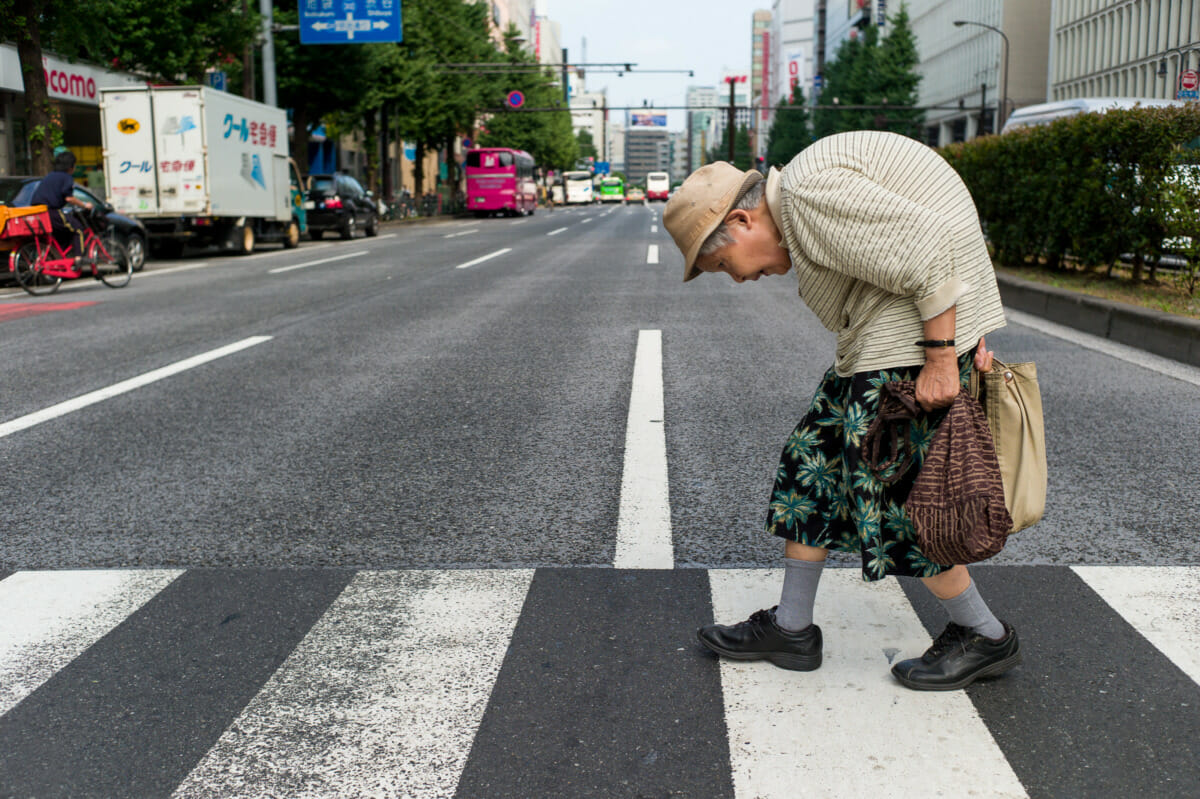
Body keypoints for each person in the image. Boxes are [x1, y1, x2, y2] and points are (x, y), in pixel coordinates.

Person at [663, 130, 1021, 691]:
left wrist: (942, 357)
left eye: (723, 266)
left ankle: (984, 635)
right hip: (886, 337)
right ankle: (791, 629)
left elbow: (928, 246)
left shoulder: (806, 194)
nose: (738, 279)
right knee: (812, 469)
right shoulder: (805, 199)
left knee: (898, 498)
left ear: (740, 222)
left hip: (906, 346)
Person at [30, 148, 93, 264]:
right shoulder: (67, 177)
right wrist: (85, 205)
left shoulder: (50, 176)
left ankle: (59, 259)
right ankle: (79, 258)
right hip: (51, 212)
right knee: (78, 229)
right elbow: (69, 198)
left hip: (36, 212)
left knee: (62, 232)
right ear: (70, 167)